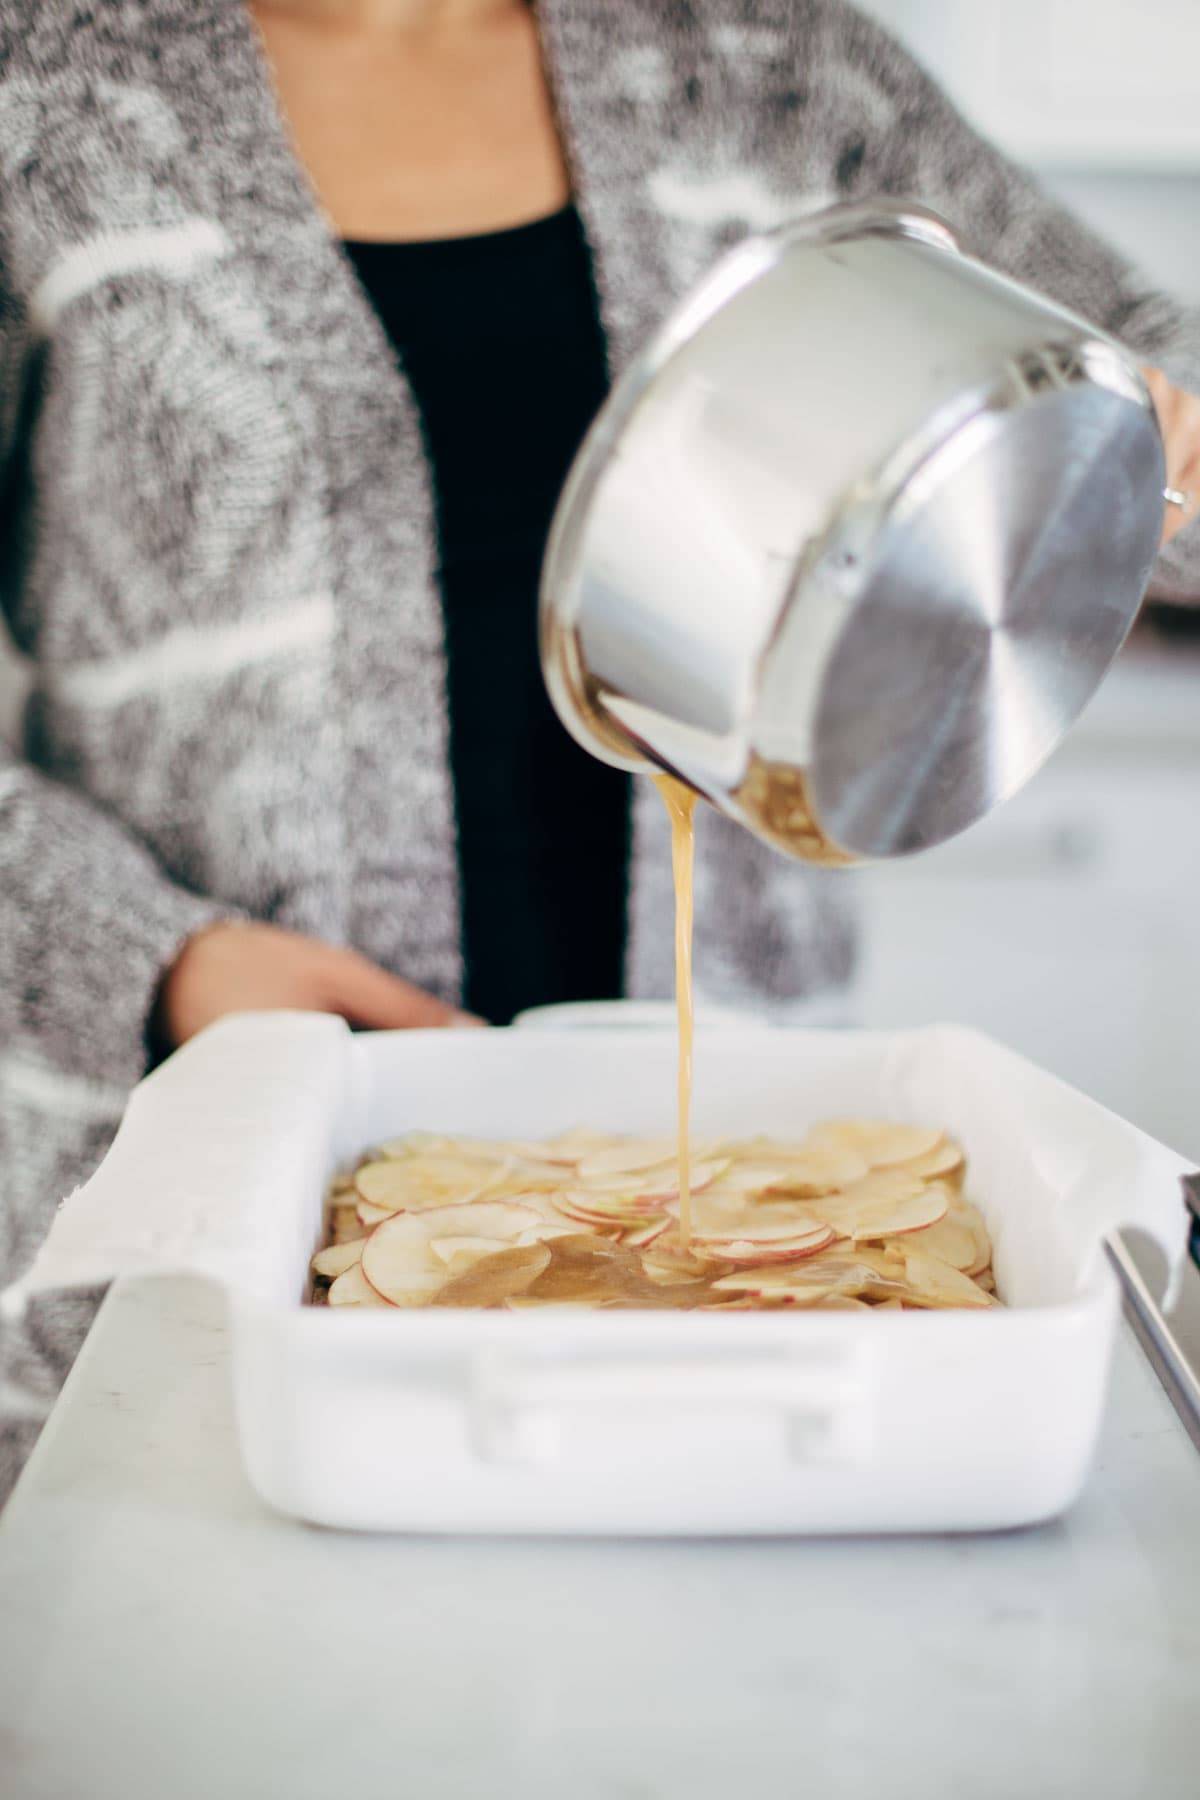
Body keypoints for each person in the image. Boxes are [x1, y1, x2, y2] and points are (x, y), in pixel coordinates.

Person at [1, 0, 1198, 1500]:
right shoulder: (41, 89)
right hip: (205, 1147)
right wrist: (158, 962)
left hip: (760, 1183)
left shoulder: (769, 61)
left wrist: (1129, 459)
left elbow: (1136, 391)